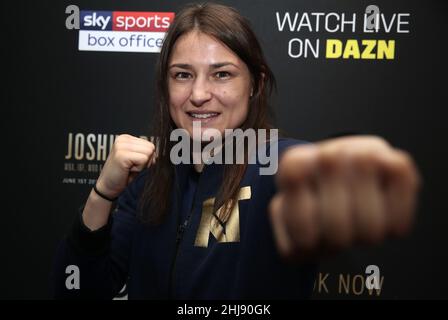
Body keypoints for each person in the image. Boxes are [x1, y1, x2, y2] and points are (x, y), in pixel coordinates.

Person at [52, 2, 420, 299]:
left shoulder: (273, 166)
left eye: (221, 74)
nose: (198, 94)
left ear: (255, 85)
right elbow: (78, 290)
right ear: (166, 86)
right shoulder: (148, 181)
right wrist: (103, 193)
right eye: (182, 74)